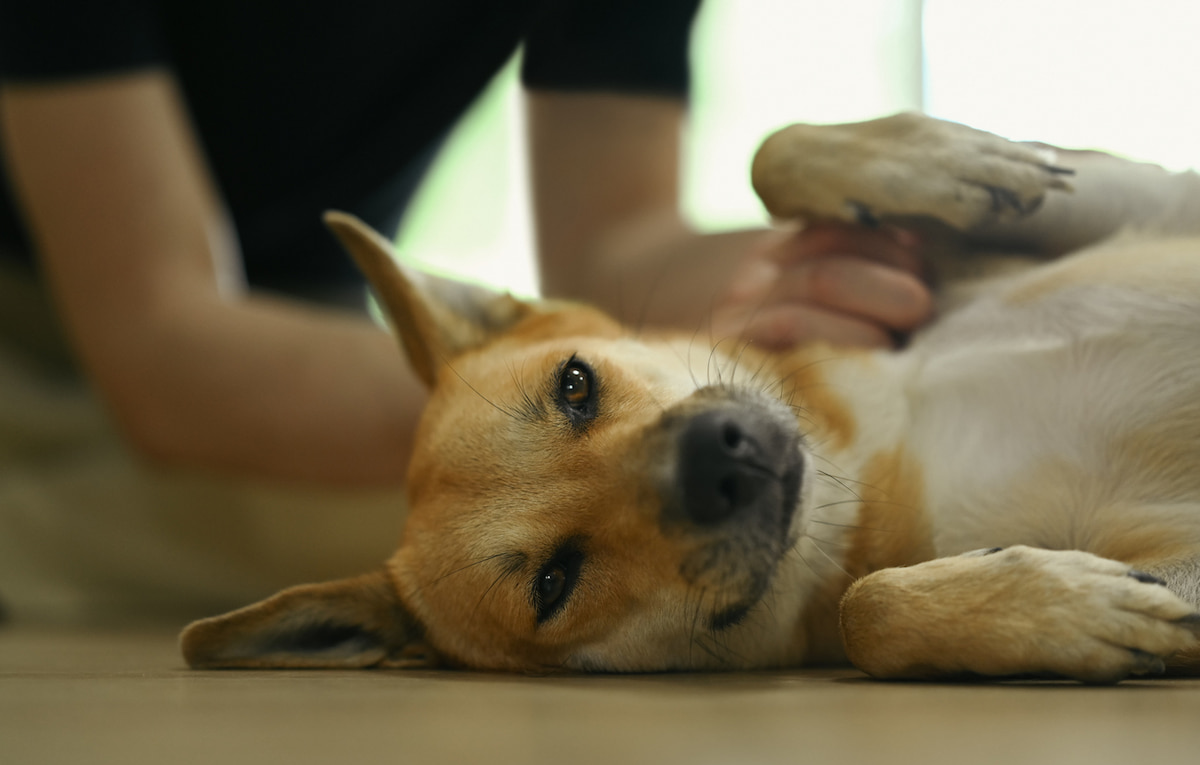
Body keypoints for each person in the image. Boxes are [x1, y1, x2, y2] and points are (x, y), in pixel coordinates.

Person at [0, 0, 930, 624]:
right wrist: (551, 406)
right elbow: (165, 344)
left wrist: (820, 261)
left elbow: (617, 249)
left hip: (305, 331)